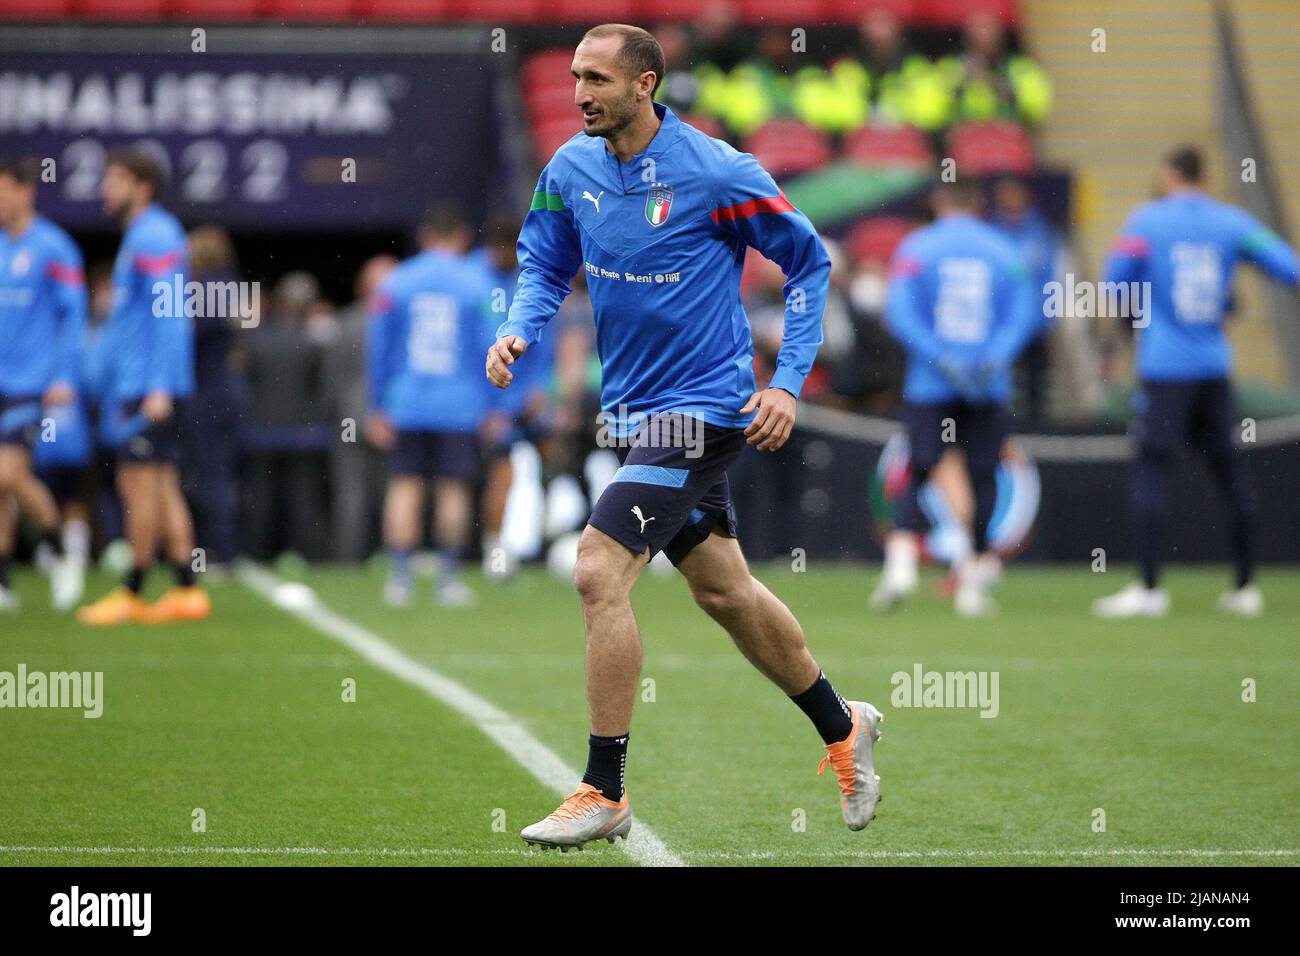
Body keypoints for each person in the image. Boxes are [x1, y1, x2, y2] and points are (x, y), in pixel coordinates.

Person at [486, 24, 883, 851]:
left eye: (596, 79)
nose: (580, 93)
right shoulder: (570, 169)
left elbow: (808, 265)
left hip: (701, 410)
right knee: (724, 594)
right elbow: (543, 263)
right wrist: (520, 327)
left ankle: (604, 788)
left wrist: (787, 382)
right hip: (636, 417)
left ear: (646, 84)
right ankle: (844, 725)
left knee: (597, 571)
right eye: (573, 78)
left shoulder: (718, 172)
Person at [1093, 146, 1299, 619]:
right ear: (1204, 176)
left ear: (1168, 175)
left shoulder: (1148, 220)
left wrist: (1135, 313)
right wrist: (1225, 301)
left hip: (1164, 370)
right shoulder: (1231, 222)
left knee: (1151, 469)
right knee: (1231, 474)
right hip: (1213, 367)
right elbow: (1287, 266)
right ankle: (1246, 586)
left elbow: (1114, 280)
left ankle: (1149, 588)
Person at [871, 179, 1038, 617]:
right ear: (978, 205)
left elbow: (899, 312)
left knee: (921, 465)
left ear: (940, 203)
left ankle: (901, 561)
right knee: (984, 474)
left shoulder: (918, 247)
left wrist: (940, 356)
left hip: (932, 382)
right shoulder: (1004, 249)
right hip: (988, 384)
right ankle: (974, 576)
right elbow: (1025, 313)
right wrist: (994, 356)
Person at [77, 147, 209, 625]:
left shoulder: (154, 235)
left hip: (147, 385)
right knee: (163, 484)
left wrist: (157, 385)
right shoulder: (143, 235)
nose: (104, 189)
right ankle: (188, 589)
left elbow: (170, 313)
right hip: (140, 382)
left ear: (142, 186)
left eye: (113, 180)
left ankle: (133, 589)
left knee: (137, 483)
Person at [367, 204, 501, 608]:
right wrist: (495, 403)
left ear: (424, 237)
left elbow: (380, 349)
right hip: (460, 403)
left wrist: (378, 404)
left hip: (407, 400)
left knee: (405, 485)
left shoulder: (397, 281)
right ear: (461, 238)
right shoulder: (477, 282)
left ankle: (400, 578)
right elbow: (491, 346)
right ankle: (447, 578)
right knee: (452, 490)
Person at [0, 156, 87, 611]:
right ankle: (3, 580)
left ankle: (62, 551)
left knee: (8, 474)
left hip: (32, 384)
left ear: (24, 191)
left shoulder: (54, 247)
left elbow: (72, 316)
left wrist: (62, 375)